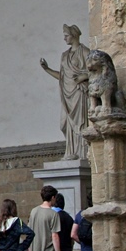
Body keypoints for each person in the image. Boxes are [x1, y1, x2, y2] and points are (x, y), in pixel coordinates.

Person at [40, 24, 90, 160]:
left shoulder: (85, 51)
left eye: (66, 36)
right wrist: (47, 69)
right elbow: (62, 77)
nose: (64, 39)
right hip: (67, 95)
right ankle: (70, 151)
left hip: (79, 94)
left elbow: (95, 71)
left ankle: (82, 153)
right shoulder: (64, 56)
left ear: (74, 36)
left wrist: (83, 77)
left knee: (80, 124)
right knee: (64, 124)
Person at [28, 184, 64, 251]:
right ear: (53, 197)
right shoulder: (53, 214)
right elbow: (55, 235)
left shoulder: (34, 211)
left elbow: (30, 233)